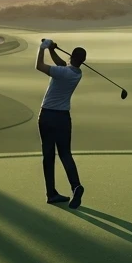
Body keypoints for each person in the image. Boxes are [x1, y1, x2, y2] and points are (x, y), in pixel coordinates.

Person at [35, 37, 85, 208]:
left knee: (48, 156)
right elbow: (62, 63)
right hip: (64, 118)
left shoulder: (62, 72)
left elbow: (39, 66)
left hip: (48, 116)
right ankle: (76, 186)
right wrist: (52, 49)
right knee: (65, 154)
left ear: (72, 57)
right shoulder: (77, 74)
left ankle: (51, 194)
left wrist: (42, 48)